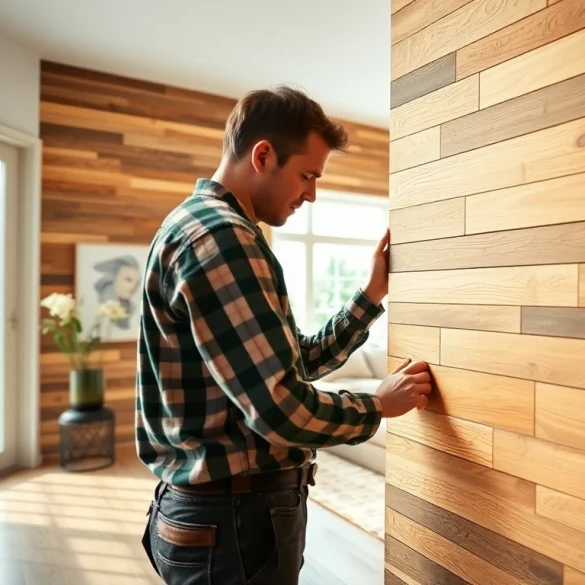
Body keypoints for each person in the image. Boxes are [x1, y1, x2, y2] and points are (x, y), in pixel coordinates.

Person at [134, 85, 431, 585]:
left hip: (213, 518)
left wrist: (370, 296)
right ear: (263, 155)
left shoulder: (197, 226)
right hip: (232, 524)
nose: (312, 193)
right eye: (308, 175)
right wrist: (376, 406)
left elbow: (293, 360)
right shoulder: (223, 238)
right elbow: (278, 409)